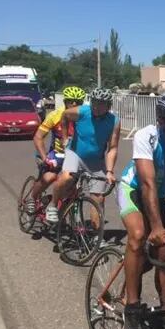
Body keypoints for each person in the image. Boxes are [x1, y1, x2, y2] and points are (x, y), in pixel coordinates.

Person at [118, 92, 165, 329]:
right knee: (139, 235)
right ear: (162, 121)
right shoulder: (146, 136)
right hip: (133, 189)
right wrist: (157, 226)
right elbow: (147, 184)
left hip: (157, 195)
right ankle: (132, 307)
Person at [45, 88, 120, 226]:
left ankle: (97, 237)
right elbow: (65, 116)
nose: (97, 107)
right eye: (95, 103)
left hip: (96, 161)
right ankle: (53, 206)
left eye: (102, 104)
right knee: (66, 177)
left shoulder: (114, 121)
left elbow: (113, 148)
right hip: (75, 153)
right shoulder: (82, 111)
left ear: (109, 106)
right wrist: (65, 137)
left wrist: (109, 171)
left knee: (98, 199)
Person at [27, 86, 85, 213]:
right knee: (49, 177)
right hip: (57, 153)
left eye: (78, 102)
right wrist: (44, 158)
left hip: (75, 155)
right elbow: (38, 137)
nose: (74, 104)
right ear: (65, 102)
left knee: (70, 186)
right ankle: (32, 198)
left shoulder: (85, 117)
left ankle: (59, 210)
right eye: (70, 101)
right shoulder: (55, 115)